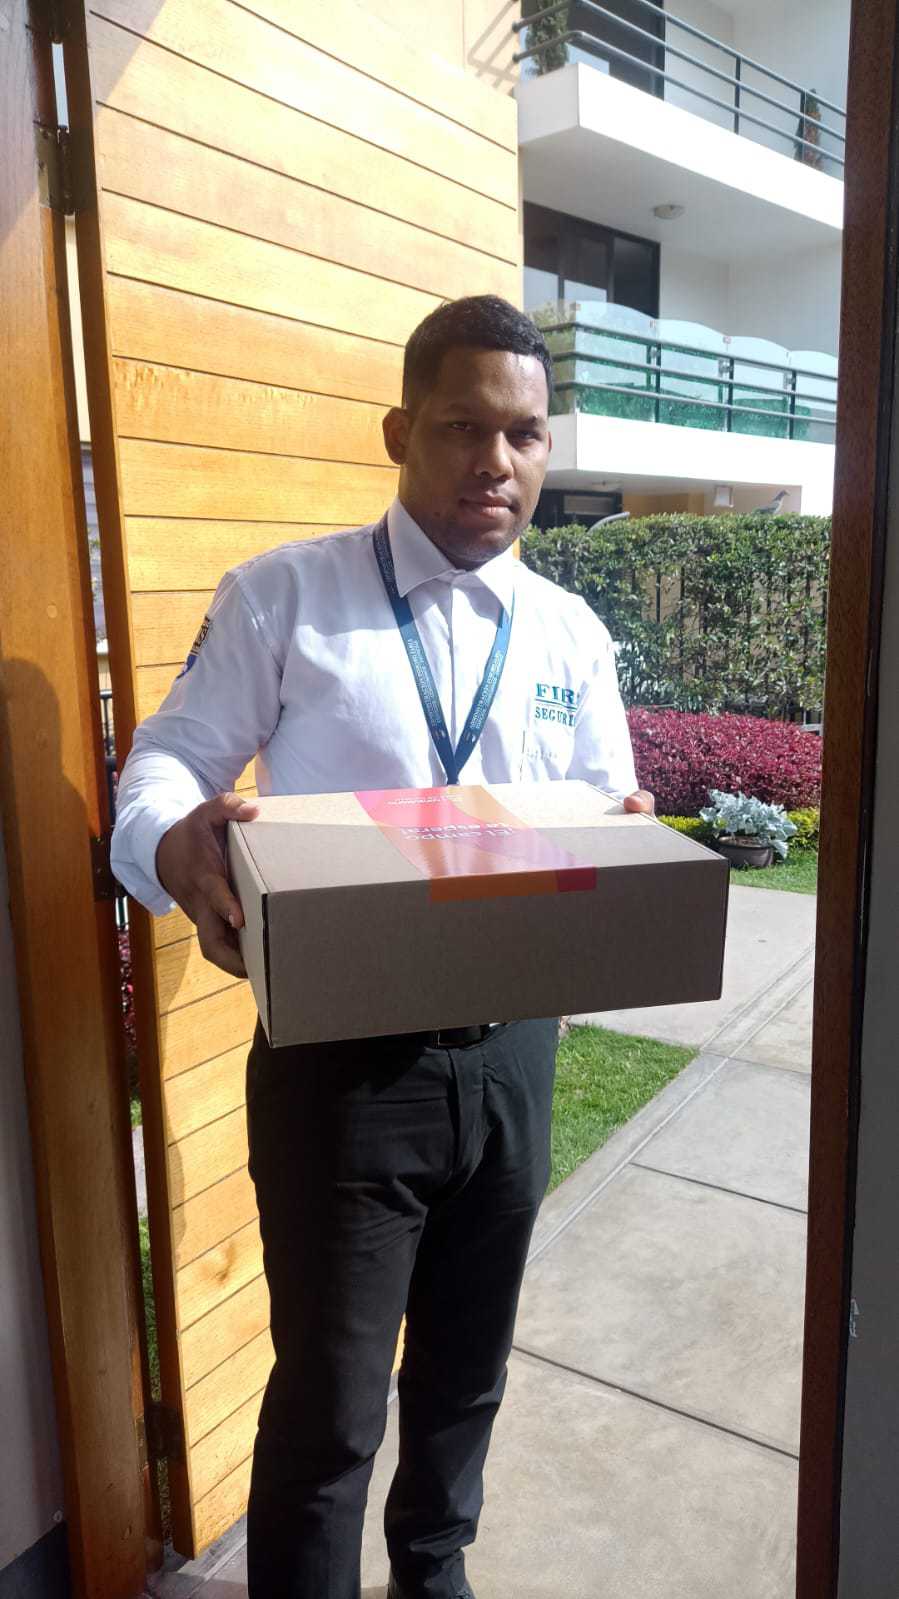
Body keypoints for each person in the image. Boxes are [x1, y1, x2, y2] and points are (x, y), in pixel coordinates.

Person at [111, 295, 652, 1599]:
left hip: (516, 1056)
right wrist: (179, 848)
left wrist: (625, 835)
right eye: (463, 428)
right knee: (333, 1404)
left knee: (467, 1371)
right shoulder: (285, 599)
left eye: (524, 435)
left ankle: (434, 1572)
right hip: (342, 1068)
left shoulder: (571, 634)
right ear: (402, 432)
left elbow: (605, 805)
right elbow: (165, 766)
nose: (496, 462)